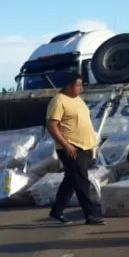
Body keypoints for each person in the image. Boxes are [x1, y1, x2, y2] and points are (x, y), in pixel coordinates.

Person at [46, 73, 105, 225]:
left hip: (84, 146)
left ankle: (56, 211)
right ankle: (91, 215)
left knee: (71, 180)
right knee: (81, 181)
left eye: (81, 85)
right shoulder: (58, 101)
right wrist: (66, 145)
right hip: (71, 148)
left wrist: (91, 145)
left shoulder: (77, 100)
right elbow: (52, 126)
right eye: (78, 85)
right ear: (68, 86)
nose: (81, 88)